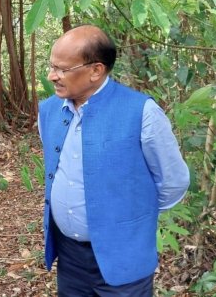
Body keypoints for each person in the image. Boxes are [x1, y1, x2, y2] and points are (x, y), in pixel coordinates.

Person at [38, 25, 190, 296]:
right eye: (52, 66)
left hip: (124, 258)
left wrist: (132, 221)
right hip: (70, 258)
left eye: (63, 69)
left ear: (96, 70)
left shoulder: (141, 112)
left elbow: (173, 181)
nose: (52, 76)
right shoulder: (49, 111)